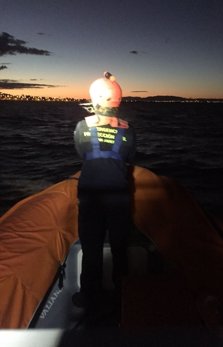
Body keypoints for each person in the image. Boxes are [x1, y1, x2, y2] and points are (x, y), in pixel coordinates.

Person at [72, 72, 136, 317]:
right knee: (120, 248)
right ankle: (124, 296)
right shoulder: (129, 131)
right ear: (118, 101)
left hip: (90, 198)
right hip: (119, 198)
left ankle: (90, 296)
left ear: (94, 100)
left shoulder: (81, 127)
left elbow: (82, 153)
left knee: (91, 248)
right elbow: (130, 158)